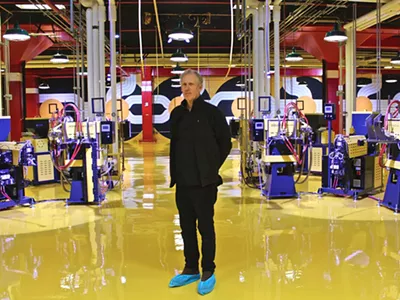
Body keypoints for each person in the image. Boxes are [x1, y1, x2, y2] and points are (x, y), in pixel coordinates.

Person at [168, 69, 232, 295]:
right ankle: (190, 267)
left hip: (205, 184)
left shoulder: (212, 114)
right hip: (183, 184)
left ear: (200, 87)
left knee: (205, 227)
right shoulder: (177, 114)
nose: (186, 88)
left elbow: (226, 143)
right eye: (183, 84)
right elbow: (174, 146)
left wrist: (211, 168)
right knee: (186, 228)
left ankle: (208, 269)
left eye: (191, 84)